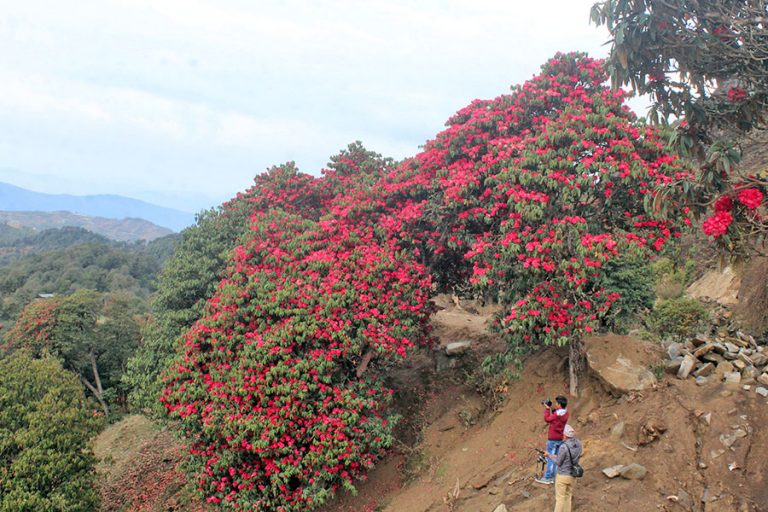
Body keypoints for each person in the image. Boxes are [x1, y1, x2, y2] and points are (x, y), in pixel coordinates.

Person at [534, 395, 568, 484]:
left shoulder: (556, 414)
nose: (555, 404)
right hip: (560, 438)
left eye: (556, 403)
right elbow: (556, 418)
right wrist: (551, 409)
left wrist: (546, 409)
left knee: (550, 457)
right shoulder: (565, 413)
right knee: (556, 457)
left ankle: (548, 477)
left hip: (553, 439)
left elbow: (547, 419)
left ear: (559, 404)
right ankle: (553, 476)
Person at [549, 424, 582, 512]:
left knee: (560, 499)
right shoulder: (578, 443)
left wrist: (550, 455)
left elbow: (558, 462)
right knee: (568, 497)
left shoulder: (564, 447)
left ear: (565, 435)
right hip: (573, 475)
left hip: (563, 475)